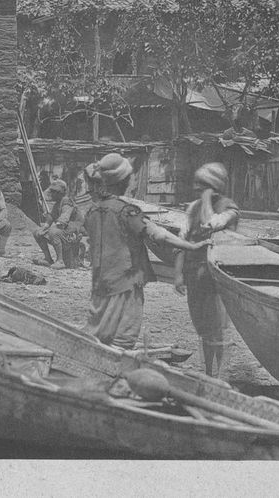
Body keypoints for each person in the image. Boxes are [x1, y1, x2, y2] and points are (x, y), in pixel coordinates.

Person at [82, 152, 205, 350]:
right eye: (130, 177)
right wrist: (192, 246)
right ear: (124, 181)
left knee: (99, 331)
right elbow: (159, 236)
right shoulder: (128, 211)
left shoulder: (91, 211)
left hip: (100, 282)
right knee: (123, 338)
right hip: (126, 282)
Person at [172, 162, 239, 376]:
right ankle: (208, 371)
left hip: (217, 278)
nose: (196, 188)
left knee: (218, 328)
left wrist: (206, 200)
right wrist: (177, 275)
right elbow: (182, 240)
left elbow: (211, 223)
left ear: (213, 185)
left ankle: (221, 374)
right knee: (202, 327)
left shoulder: (230, 209)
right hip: (195, 275)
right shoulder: (192, 208)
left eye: (202, 185)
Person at [33, 178, 82, 267]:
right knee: (37, 232)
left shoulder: (66, 201)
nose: (51, 194)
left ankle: (60, 261)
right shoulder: (58, 203)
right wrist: (44, 228)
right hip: (64, 230)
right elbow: (51, 217)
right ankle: (48, 259)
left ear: (59, 193)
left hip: (71, 232)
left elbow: (64, 219)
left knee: (53, 232)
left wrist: (52, 228)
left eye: (53, 192)